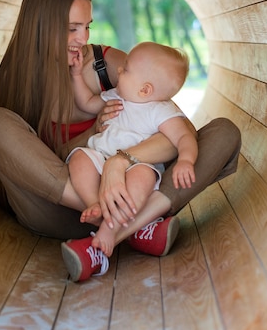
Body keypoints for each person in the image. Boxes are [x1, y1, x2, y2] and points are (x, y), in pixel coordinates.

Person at [0, 0, 241, 283]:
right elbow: (37, 163)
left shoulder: (108, 64)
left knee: (224, 132)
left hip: (132, 190)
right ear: (41, 26)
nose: (82, 38)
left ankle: (119, 229)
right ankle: (132, 225)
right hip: (61, 205)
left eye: (86, 26)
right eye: (71, 28)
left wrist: (120, 161)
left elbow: (176, 134)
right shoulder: (16, 77)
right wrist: (92, 136)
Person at [64, 41, 197, 264]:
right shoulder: (116, 96)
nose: (118, 70)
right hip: (100, 154)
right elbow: (87, 103)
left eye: (125, 70)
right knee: (79, 158)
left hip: (136, 164)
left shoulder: (161, 111)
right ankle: (94, 203)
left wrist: (186, 159)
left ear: (145, 89)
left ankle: (109, 229)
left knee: (143, 177)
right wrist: (77, 76)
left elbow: (184, 137)